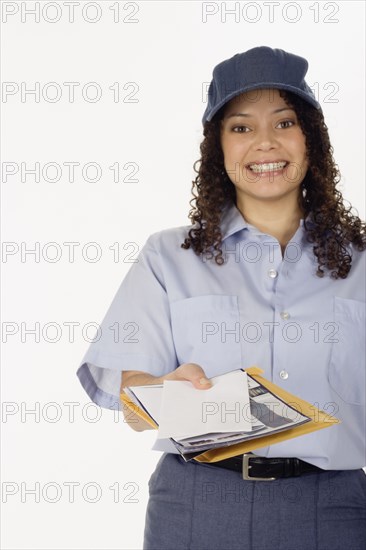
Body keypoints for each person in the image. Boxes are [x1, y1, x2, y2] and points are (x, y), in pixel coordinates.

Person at [76, 46, 366, 549]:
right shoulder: (168, 256)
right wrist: (165, 392)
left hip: (332, 510)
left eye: (285, 122)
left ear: (310, 139)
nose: (265, 143)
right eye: (240, 127)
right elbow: (133, 404)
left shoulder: (361, 263)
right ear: (218, 148)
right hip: (195, 505)